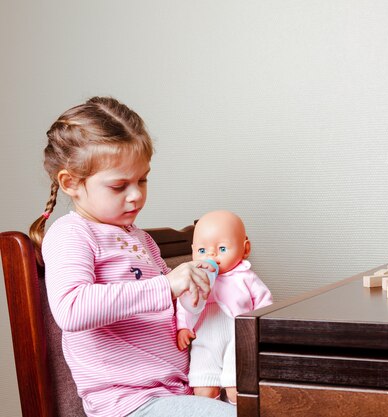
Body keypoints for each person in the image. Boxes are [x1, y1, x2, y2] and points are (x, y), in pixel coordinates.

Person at [28, 97, 236, 417]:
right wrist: (166, 285)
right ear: (71, 183)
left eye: (142, 179)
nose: (136, 194)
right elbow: (71, 309)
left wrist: (192, 289)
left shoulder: (138, 238)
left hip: (174, 391)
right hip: (126, 403)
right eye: (119, 185)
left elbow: (166, 303)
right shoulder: (71, 233)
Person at [176, 210, 273, 404]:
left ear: (245, 249)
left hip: (238, 340)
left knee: (237, 390)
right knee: (203, 391)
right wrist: (183, 327)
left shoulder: (245, 277)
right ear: (193, 250)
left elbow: (265, 304)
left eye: (221, 249)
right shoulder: (193, 276)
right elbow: (182, 304)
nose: (211, 255)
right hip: (204, 341)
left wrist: (263, 331)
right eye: (202, 251)